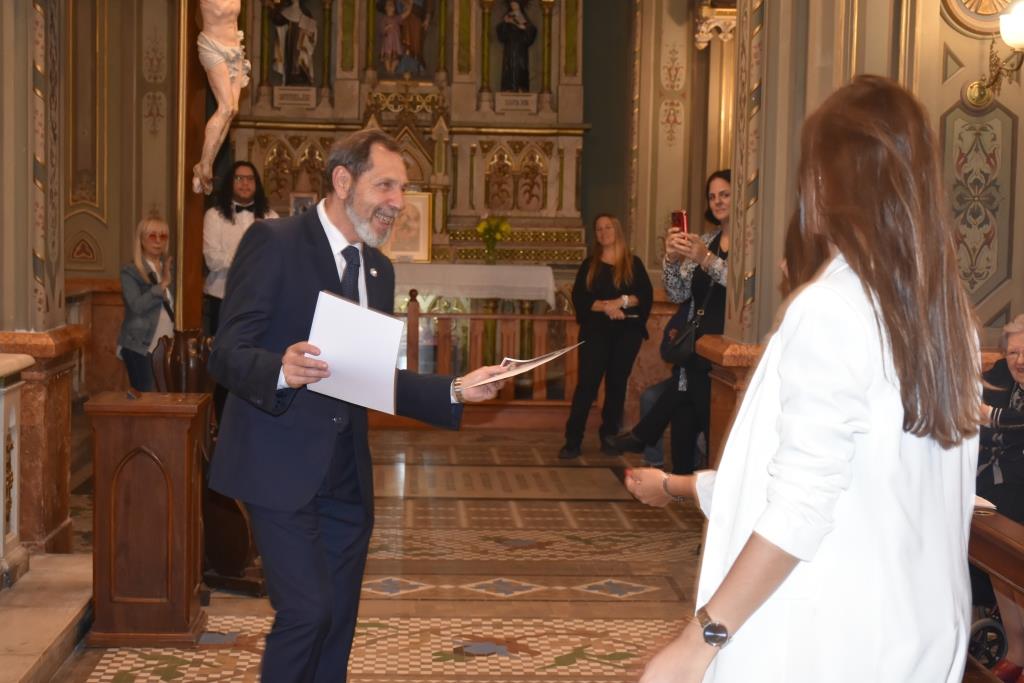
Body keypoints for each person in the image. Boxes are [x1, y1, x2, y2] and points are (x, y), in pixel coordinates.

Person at [625, 75, 982, 682]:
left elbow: (800, 503)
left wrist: (700, 639)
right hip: (919, 630)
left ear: (823, 183)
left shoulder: (833, 307)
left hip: (828, 636)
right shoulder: (949, 320)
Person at [207, 129, 505, 682]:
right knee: (307, 611)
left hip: (346, 477)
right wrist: (278, 367)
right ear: (343, 181)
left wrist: (457, 389)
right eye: (385, 185)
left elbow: (373, 378)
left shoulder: (378, 270)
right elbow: (225, 352)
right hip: (279, 465)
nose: (398, 201)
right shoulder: (274, 242)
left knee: (338, 619)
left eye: (403, 188)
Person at [609, 171, 731, 475]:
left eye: (725, 194)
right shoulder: (705, 240)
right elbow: (678, 293)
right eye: (712, 196)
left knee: (689, 406)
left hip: (724, 347)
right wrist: (671, 261)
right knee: (685, 413)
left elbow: (740, 284)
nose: (717, 201)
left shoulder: (749, 243)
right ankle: (677, 483)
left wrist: (707, 260)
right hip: (696, 345)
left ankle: (644, 437)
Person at [560, 214, 653, 459]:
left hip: (626, 333)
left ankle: (609, 435)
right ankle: (573, 440)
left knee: (616, 384)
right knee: (587, 385)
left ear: (617, 229)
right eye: (598, 229)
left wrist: (619, 301)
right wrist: (609, 307)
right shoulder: (590, 265)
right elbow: (581, 299)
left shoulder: (634, 264)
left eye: (607, 227)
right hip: (596, 332)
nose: (603, 232)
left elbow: (643, 295)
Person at [977, 314, 1024, 683]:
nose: (1019, 361)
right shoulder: (997, 378)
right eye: (1013, 352)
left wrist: (990, 417)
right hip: (997, 491)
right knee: (996, 555)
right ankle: (1016, 646)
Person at [203, 161, 278, 336]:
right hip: (222, 296)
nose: (245, 183)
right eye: (239, 178)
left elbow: (274, 259)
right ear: (230, 182)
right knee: (220, 349)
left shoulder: (271, 216)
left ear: (257, 184)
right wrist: (250, 259)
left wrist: (240, 259)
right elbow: (212, 260)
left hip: (260, 298)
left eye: (250, 179)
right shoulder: (214, 216)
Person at [194, 0, 250, 195]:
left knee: (232, 110)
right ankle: (205, 165)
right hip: (212, 46)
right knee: (225, 107)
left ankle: (203, 165)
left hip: (234, 49)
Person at [117, 217, 175, 392]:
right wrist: (161, 285)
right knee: (146, 399)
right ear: (141, 239)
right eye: (152, 236)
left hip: (165, 347)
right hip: (140, 346)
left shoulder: (170, 268)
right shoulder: (131, 271)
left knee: (164, 399)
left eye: (163, 236)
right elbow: (136, 305)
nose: (158, 241)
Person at [269, 0, 318, 86]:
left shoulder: (305, 13)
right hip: (290, 41)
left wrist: (307, 32)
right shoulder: (285, 12)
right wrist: (273, 7)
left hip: (301, 45)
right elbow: (277, 20)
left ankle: (302, 78)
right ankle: (290, 78)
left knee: (301, 59)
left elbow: (312, 30)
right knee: (290, 59)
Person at [497, 0, 537, 92]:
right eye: (512, 4)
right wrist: (506, 22)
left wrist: (522, 27)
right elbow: (502, 33)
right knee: (509, 66)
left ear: (519, 5)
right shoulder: (508, 16)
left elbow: (530, 30)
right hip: (510, 46)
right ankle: (509, 87)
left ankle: (521, 87)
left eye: (515, 4)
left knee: (521, 66)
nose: (513, 6)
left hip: (521, 48)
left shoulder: (523, 16)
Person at [378, 0, 411, 75]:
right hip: (387, 43)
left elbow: (407, 13)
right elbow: (381, 31)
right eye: (388, 5)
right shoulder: (384, 19)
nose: (390, 7)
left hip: (395, 43)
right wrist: (387, 28)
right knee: (387, 58)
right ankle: (388, 71)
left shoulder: (397, 18)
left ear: (394, 8)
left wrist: (406, 3)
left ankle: (392, 71)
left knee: (395, 58)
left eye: (392, 5)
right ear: (385, 8)